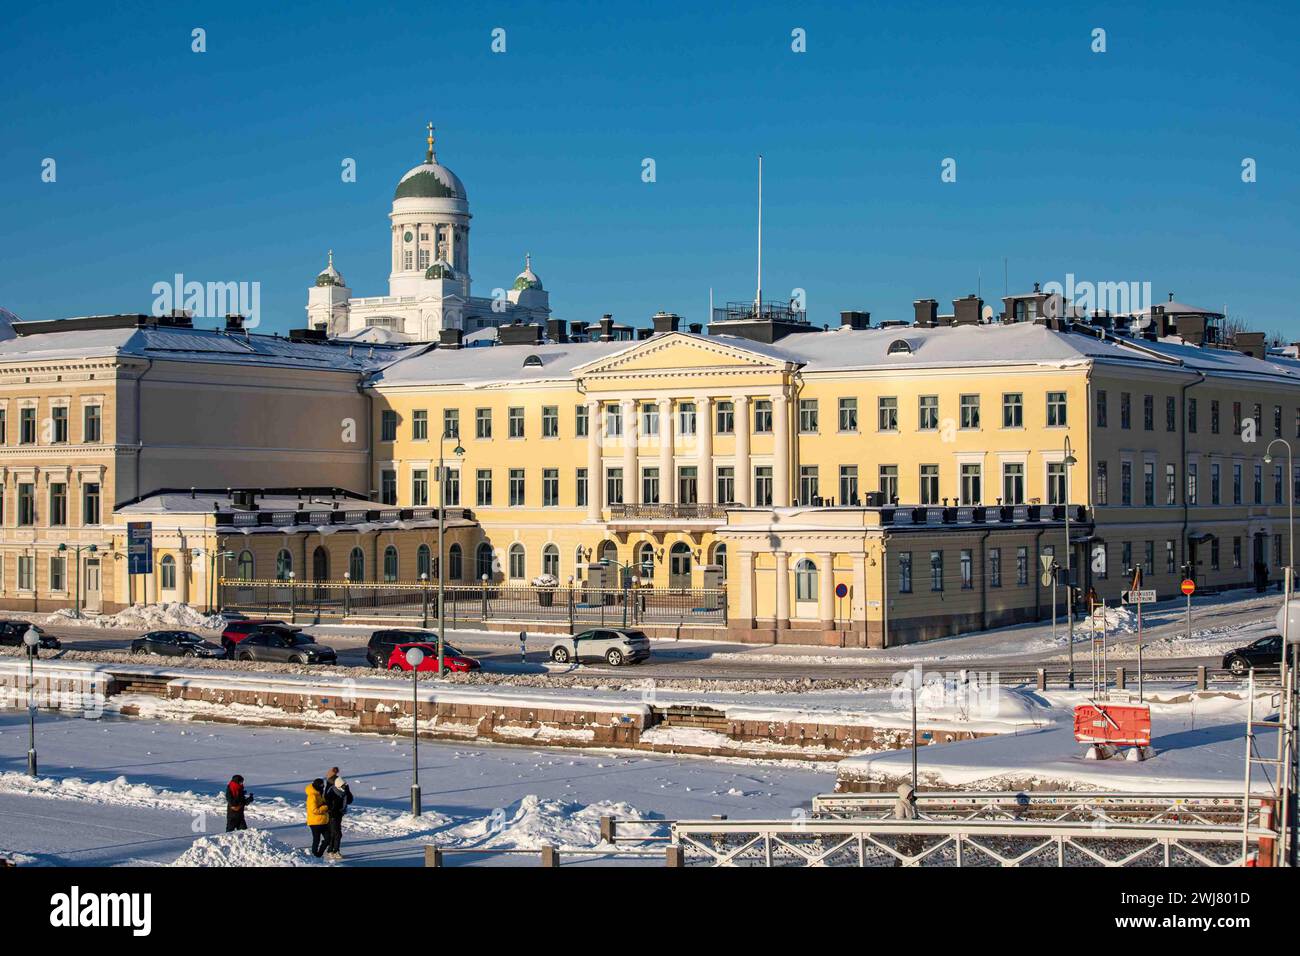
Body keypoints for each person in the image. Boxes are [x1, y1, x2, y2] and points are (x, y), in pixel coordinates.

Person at [324, 774, 354, 861]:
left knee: (334, 834)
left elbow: (350, 801)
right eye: (343, 786)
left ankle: (331, 850)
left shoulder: (344, 792)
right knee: (337, 834)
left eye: (345, 785)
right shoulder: (332, 793)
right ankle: (334, 851)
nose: (344, 787)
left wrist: (348, 791)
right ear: (338, 786)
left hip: (339, 815)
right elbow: (328, 805)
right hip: (332, 816)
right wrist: (332, 811)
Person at [305, 778, 329, 857]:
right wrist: (326, 807)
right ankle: (314, 855)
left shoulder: (320, 793)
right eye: (321, 785)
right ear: (316, 786)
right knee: (316, 840)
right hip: (315, 822)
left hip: (323, 821)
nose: (323, 787)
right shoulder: (312, 796)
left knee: (328, 838)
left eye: (323, 785)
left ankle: (319, 854)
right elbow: (314, 810)